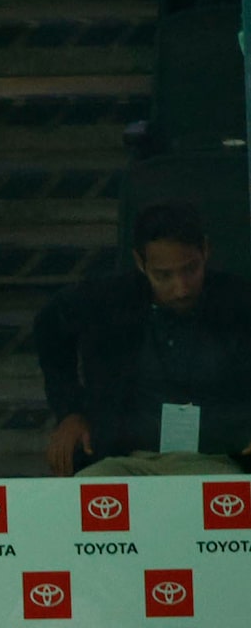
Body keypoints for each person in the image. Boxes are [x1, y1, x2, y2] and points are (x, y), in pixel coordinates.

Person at [37, 201, 251, 475]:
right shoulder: (109, 301)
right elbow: (49, 325)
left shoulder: (238, 304)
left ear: (206, 251)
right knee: (86, 495)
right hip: (126, 459)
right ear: (140, 262)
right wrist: (71, 412)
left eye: (190, 269)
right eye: (164, 276)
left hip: (217, 459)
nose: (181, 288)